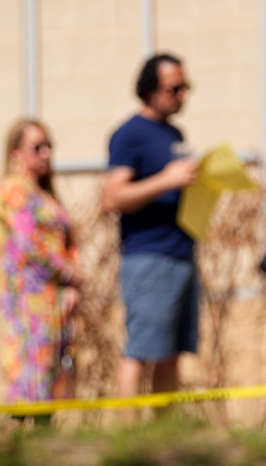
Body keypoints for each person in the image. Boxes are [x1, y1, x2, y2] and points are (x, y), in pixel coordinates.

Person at [101, 53, 199, 407]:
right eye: (175, 88)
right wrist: (166, 179)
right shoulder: (129, 134)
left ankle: (162, 437)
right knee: (140, 350)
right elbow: (113, 196)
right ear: (149, 89)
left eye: (186, 87)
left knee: (172, 352)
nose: (183, 95)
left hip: (182, 253)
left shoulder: (174, 133)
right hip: (149, 257)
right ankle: (128, 438)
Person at [0, 118, 84, 410]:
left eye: (49, 146)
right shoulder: (13, 189)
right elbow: (30, 242)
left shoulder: (46, 194)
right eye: (37, 147)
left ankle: (44, 448)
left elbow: (68, 240)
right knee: (28, 382)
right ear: (16, 153)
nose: (46, 153)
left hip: (55, 300)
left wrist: (71, 284)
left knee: (52, 381)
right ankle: (18, 450)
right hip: (28, 301)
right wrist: (69, 273)